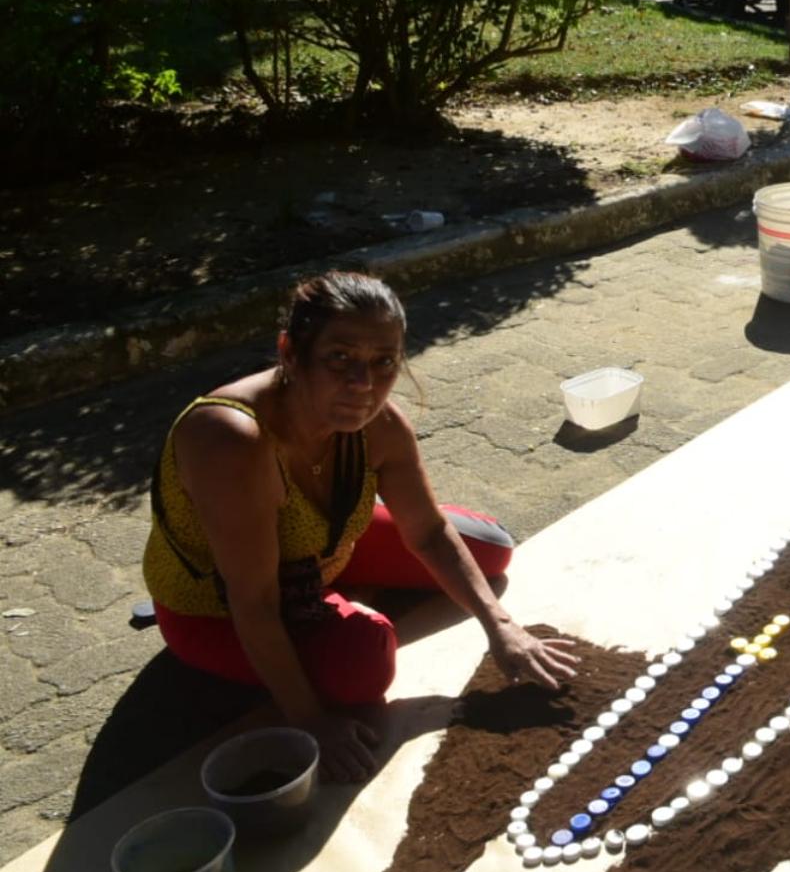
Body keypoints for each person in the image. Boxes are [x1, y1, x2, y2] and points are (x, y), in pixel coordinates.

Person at [142, 272, 577, 782]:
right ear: (290, 351)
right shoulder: (232, 439)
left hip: (320, 546)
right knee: (363, 663)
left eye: (383, 363)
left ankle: (337, 590)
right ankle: (337, 601)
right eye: (340, 358)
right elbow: (254, 601)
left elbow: (431, 534)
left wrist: (501, 627)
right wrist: (311, 721)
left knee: (491, 552)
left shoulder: (380, 423)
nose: (363, 385)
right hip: (214, 608)